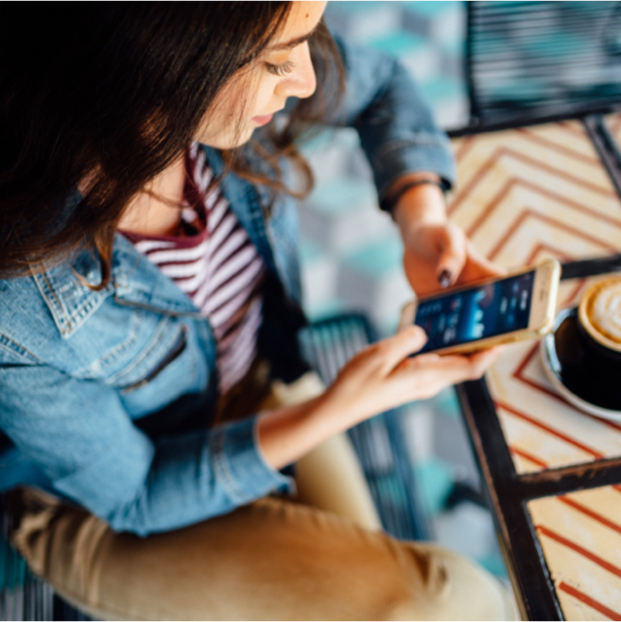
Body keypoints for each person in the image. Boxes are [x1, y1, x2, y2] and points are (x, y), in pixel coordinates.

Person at [0, 2, 513, 620]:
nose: (306, 80)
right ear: (159, 59)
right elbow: (135, 496)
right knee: (443, 600)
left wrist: (420, 216)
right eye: (276, 61)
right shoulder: (17, 293)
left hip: (255, 395)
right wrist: (337, 406)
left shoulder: (225, 95)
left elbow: (381, 83)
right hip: (104, 512)